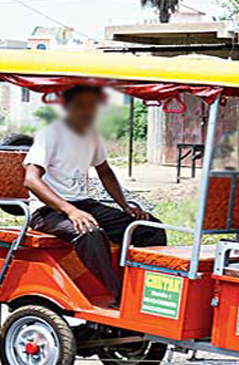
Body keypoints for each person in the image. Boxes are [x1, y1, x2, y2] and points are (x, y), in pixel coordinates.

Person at [23, 85, 166, 303]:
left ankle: (146, 290)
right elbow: (31, 180)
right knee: (89, 232)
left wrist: (126, 206)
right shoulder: (50, 134)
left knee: (150, 228)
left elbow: (105, 172)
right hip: (48, 210)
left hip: (83, 204)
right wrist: (70, 211)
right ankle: (120, 296)